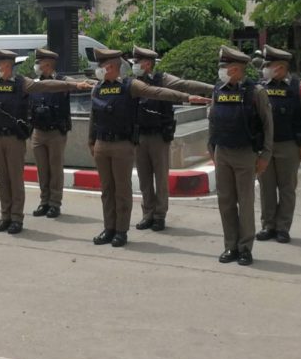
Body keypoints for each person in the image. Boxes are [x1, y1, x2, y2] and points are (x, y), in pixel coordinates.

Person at [88, 48, 211, 247]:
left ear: (110, 67)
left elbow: (158, 92)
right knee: (110, 189)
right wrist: (91, 141)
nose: (98, 69)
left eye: (101, 65)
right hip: (111, 142)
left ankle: (126, 228)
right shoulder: (97, 88)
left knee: (127, 188)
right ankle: (110, 227)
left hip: (136, 140)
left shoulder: (132, 85)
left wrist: (187, 97)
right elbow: (94, 116)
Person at [0, 48, 93, 234]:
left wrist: (76, 85)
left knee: (20, 179)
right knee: (4, 180)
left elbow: (50, 86)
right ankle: (6, 216)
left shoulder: (23, 83)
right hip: (3, 136)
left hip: (28, 135)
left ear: (7, 65)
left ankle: (20, 216)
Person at [129, 45, 214, 232]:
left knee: (160, 178)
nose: (134, 65)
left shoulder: (163, 79)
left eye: (137, 61)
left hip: (159, 136)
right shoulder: (132, 82)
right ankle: (147, 213)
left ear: (148, 64)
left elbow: (185, 85)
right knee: (144, 178)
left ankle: (159, 215)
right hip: (139, 136)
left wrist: (213, 89)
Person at [209, 45, 274, 266]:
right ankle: (231, 246)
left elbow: (268, 125)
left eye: (225, 67)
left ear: (236, 69)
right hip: (222, 152)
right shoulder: (218, 89)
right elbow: (213, 119)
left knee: (245, 203)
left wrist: (265, 155)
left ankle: (245, 248)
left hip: (246, 153)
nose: (221, 71)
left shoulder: (255, 92)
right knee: (225, 201)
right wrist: (211, 147)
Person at [256, 45, 301, 244]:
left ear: (280, 67)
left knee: (287, 188)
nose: (265, 69)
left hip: (289, 145)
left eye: (268, 65)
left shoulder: (299, 87)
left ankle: (283, 228)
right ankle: (268, 225)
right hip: (265, 146)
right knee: (266, 188)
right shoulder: (261, 87)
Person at [29, 48, 90, 219]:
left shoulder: (62, 81)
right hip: (38, 132)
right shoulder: (35, 83)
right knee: (42, 169)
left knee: (55, 169)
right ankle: (44, 201)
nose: (36, 65)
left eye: (39, 62)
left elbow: (74, 83)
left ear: (48, 64)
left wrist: (81, 83)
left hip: (56, 132)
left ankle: (55, 203)